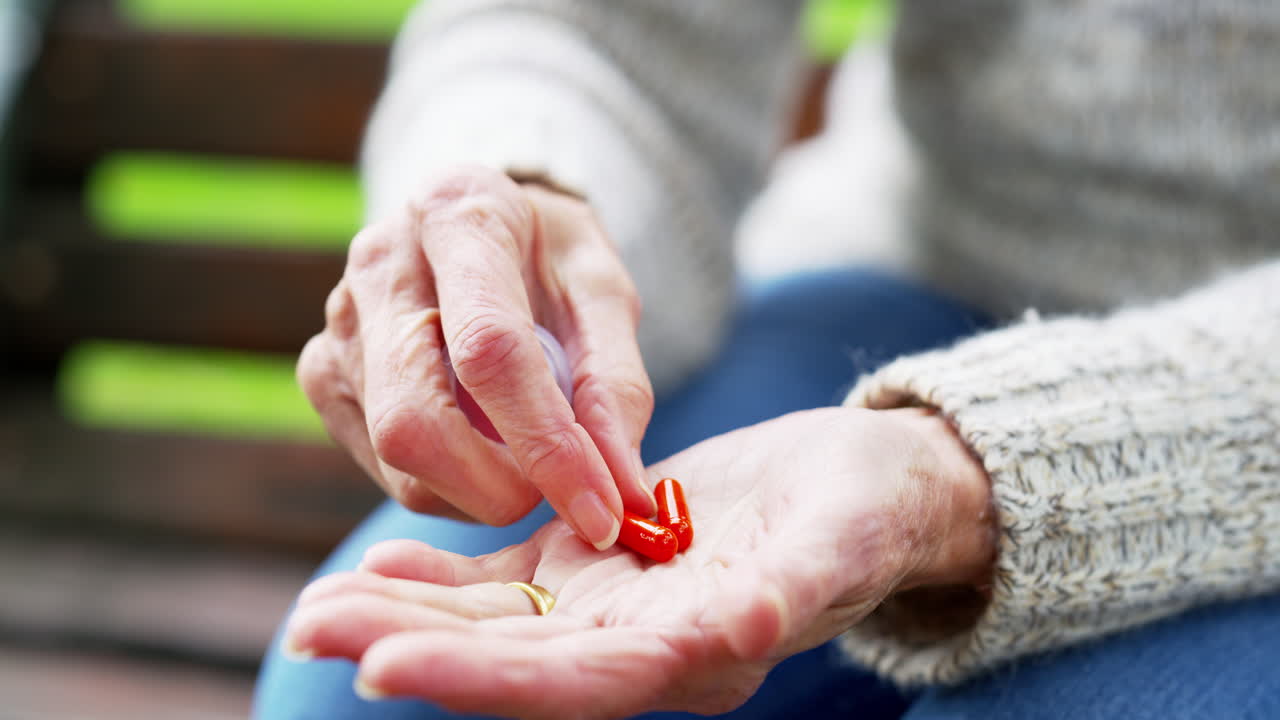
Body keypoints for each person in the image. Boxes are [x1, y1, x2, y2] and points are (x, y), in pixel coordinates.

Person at [254, 1, 1280, 718]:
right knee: (366, 696)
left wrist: (975, 465)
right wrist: (521, 195)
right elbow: (592, 29)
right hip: (933, 262)